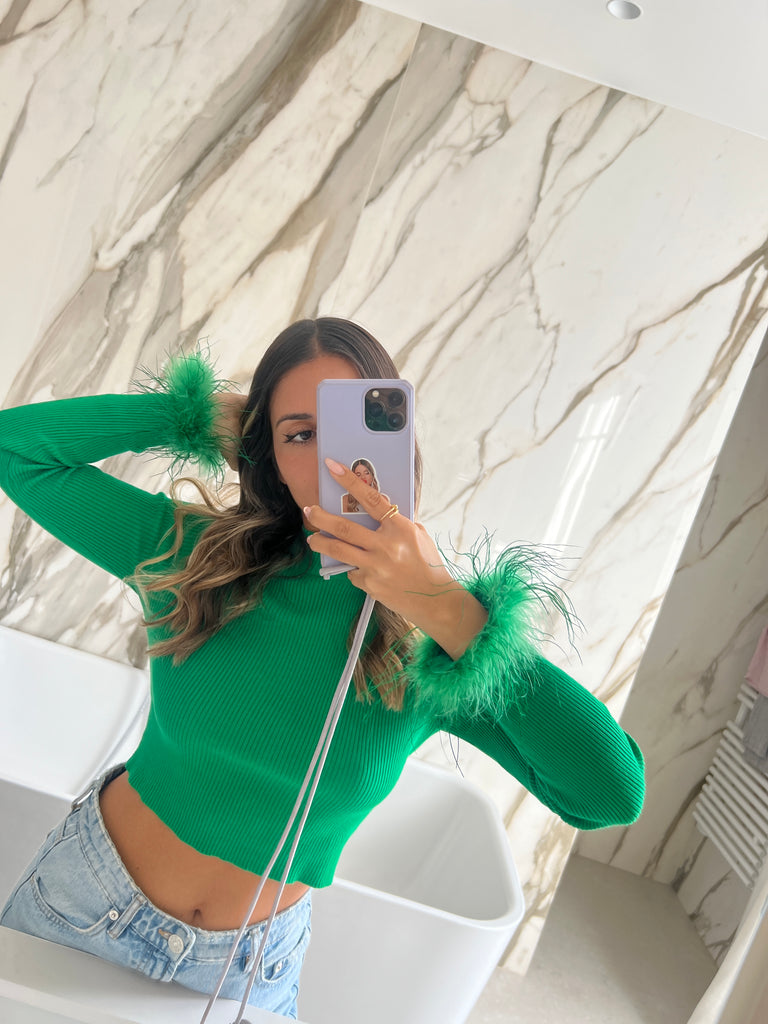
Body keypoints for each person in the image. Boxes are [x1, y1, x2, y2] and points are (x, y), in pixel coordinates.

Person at [0, 318, 645, 1018]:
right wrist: (192, 417)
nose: (336, 459)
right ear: (267, 454)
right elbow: (15, 449)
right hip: (84, 904)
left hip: (248, 969)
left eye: (354, 425)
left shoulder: (437, 643)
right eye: (301, 434)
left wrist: (450, 610)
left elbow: (609, 795)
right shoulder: (192, 555)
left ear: (400, 436)